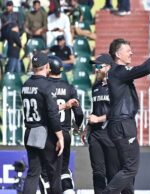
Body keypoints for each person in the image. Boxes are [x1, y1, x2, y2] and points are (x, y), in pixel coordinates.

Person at [102, 31, 150, 193]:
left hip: (120, 124)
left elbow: (146, 69)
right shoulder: (118, 71)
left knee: (126, 169)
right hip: (123, 124)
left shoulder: (117, 72)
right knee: (130, 169)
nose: (131, 52)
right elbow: (145, 68)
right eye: (127, 50)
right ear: (118, 54)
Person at [81, 54, 132, 194]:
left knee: (112, 173)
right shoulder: (96, 86)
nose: (96, 69)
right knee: (97, 172)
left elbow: (118, 111)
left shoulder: (117, 85)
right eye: (95, 66)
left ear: (109, 67)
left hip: (112, 135)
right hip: (96, 135)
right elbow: (95, 109)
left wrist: (98, 119)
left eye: (99, 66)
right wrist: (88, 127)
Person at [39, 55, 84, 194]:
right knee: (63, 169)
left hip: (48, 134)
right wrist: (77, 126)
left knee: (46, 172)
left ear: (49, 69)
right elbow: (79, 113)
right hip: (65, 133)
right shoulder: (69, 88)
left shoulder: (44, 86)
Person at [21, 52, 64, 194]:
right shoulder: (47, 85)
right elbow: (52, 113)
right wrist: (60, 136)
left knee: (33, 174)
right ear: (47, 66)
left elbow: (40, 108)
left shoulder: (26, 84)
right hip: (44, 133)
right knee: (54, 173)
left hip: (29, 131)